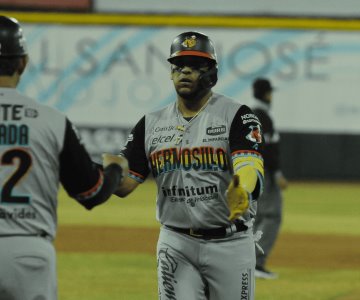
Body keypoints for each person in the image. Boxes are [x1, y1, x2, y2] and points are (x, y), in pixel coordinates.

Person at [113, 31, 264, 300]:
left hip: (230, 243)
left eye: (195, 66)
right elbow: (125, 184)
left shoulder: (237, 115)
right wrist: (104, 173)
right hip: (176, 242)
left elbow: (249, 165)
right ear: (171, 73)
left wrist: (243, 187)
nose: (185, 71)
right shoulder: (151, 123)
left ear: (211, 74)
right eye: (179, 66)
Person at [0, 15, 128, 300]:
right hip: (28, 256)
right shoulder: (51, 120)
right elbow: (91, 193)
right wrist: (115, 169)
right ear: (23, 62)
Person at [251, 78, 288, 279]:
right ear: (266, 94)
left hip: (252, 171)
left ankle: (248, 261)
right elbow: (267, 149)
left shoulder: (250, 114)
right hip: (264, 171)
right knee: (271, 216)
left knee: (257, 217)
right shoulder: (262, 116)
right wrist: (277, 173)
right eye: (270, 93)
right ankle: (256, 262)